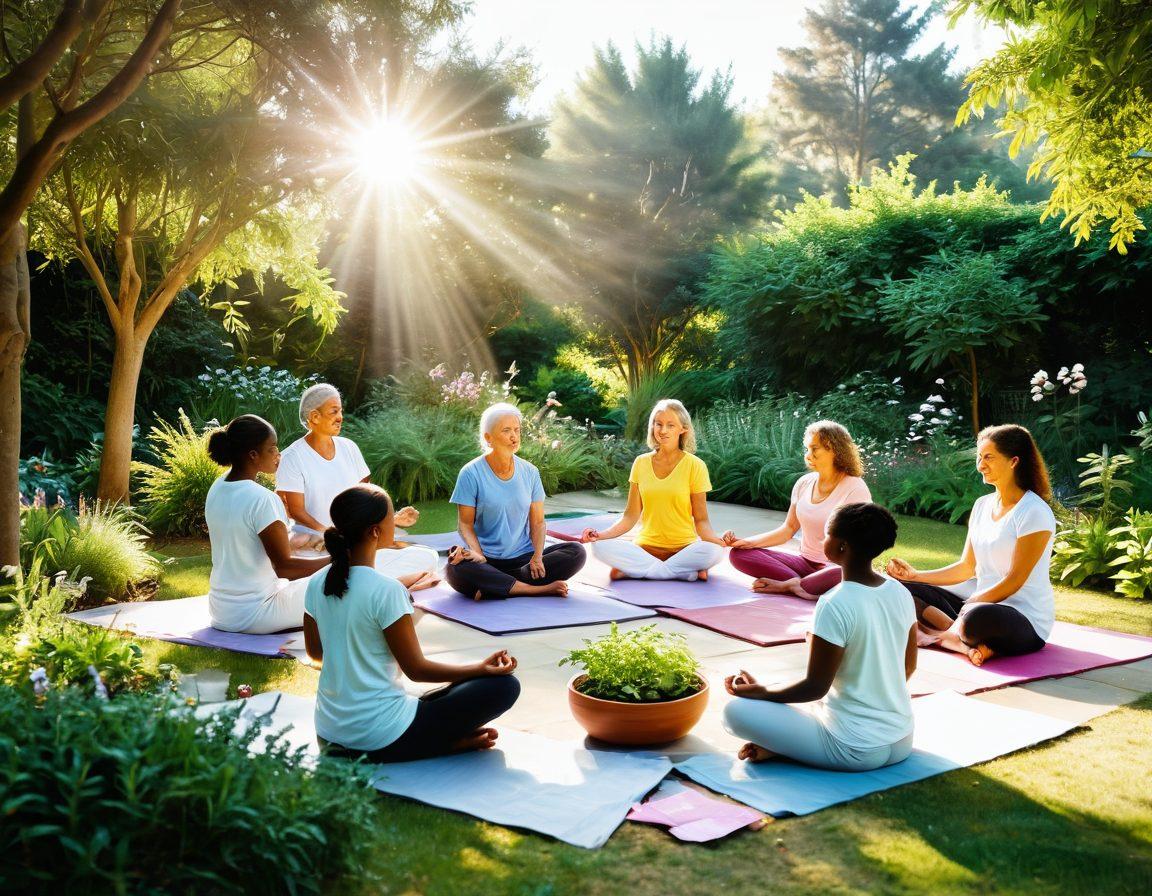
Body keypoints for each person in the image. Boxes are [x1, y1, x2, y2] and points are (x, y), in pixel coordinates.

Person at [304, 484, 521, 762]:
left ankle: (439, 740)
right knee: (503, 686)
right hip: (378, 738)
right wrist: (479, 668)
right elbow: (416, 670)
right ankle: (443, 744)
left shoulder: (316, 583)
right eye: (391, 516)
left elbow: (316, 654)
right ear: (375, 531)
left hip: (329, 733)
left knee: (440, 693)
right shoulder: (387, 590)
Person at [723, 503, 917, 771]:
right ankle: (788, 745)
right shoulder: (899, 591)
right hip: (901, 740)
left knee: (734, 712)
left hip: (853, 748)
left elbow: (815, 687)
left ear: (842, 546)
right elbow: (908, 667)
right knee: (796, 697)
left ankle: (786, 748)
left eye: (827, 534)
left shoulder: (834, 602)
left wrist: (762, 693)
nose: (822, 540)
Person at [886, 424, 1056, 666]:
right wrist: (915, 576)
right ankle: (956, 639)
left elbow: (1014, 580)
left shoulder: (1034, 511)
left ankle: (945, 633)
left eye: (988, 457)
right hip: (977, 604)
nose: (980, 465)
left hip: (1022, 618)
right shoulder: (982, 506)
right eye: (979, 457)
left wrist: (970, 605)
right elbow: (967, 567)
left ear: (1014, 461)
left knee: (976, 618)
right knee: (898, 589)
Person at [276, 383, 436, 580]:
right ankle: (382, 581)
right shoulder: (292, 457)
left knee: (427, 557)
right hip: (316, 545)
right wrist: (331, 535)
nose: (340, 417)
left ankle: (374, 579)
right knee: (342, 571)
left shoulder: (349, 448)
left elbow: (365, 495)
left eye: (340, 411)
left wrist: (390, 520)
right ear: (314, 417)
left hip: (356, 542)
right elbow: (295, 511)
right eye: (334, 411)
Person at [445, 402, 587, 600]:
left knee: (576, 552)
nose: (514, 436)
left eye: (517, 430)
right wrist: (477, 554)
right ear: (488, 437)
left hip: (523, 561)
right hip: (486, 560)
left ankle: (497, 585)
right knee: (454, 569)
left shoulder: (530, 472)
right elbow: (465, 524)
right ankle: (532, 589)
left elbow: (538, 523)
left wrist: (537, 557)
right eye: (506, 430)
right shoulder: (470, 473)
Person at [205, 415, 332, 633]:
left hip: (221, 610)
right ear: (253, 455)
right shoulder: (263, 499)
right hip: (256, 612)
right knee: (346, 582)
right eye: (272, 448)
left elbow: (247, 541)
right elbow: (285, 568)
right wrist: (338, 559)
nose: (278, 454)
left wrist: (304, 542)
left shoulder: (218, 486)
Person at [723, 421, 871, 600]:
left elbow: (862, 544)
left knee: (843, 575)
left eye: (814, 449)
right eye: (807, 449)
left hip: (834, 568)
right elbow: (788, 529)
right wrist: (747, 542)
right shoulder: (804, 483)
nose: (808, 455)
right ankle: (801, 585)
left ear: (835, 449)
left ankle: (791, 585)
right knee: (739, 555)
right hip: (803, 563)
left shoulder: (855, 488)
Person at [581, 399, 724, 581]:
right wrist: (601, 535)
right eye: (658, 424)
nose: (663, 430)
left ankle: (641, 570)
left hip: (684, 548)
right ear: (652, 426)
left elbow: (701, 520)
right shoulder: (641, 463)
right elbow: (630, 516)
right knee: (599, 547)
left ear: (683, 429)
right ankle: (682, 572)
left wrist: (718, 541)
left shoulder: (696, 466)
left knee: (714, 551)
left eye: (670, 425)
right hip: (646, 548)